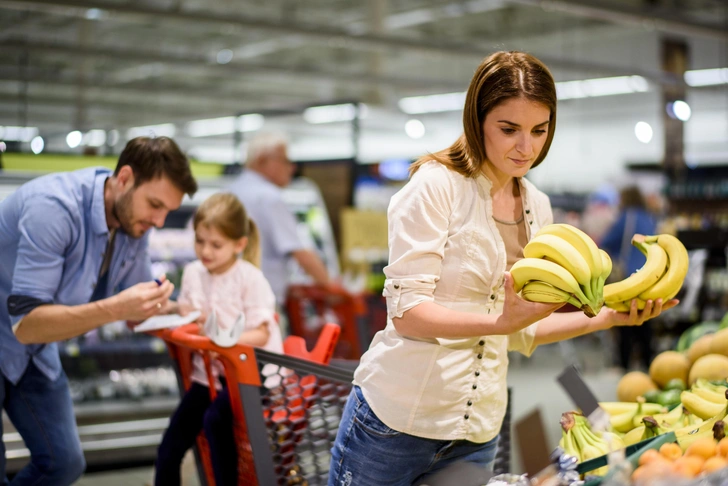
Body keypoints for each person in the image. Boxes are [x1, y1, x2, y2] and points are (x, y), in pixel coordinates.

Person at [328, 51, 678, 486]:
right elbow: (408, 314)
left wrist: (609, 317)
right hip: (396, 423)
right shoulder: (435, 187)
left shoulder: (538, 207)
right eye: (509, 129)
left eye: (539, 130)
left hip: (479, 431)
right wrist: (498, 321)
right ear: (477, 121)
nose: (526, 147)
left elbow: (520, 331)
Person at [0, 136, 197, 485]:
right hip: (19, 333)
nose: (160, 221)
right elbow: (27, 324)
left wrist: (191, 307)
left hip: (34, 353)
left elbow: (136, 307)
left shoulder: (133, 223)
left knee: (64, 463)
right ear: (124, 179)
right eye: (155, 204)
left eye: (167, 210)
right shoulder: (54, 208)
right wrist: (117, 308)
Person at [154, 192, 282, 486]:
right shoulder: (193, 273)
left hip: (250, 377)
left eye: (216, 245)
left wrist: (222, 345)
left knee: (215, 422)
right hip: (206, 376)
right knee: (171, 447)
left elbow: (262, 332)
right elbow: (191, 315)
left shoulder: (250, 278)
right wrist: (170, 308)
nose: (205, 251)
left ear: (239, 244)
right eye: (199, 241)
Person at [229, 132, 332, 308]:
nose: (291, 168)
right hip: (259, 301)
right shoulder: (270, 197)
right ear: (262, 160)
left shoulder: (231, 190)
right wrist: (331, 288)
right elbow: (301, 253)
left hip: (229, 295)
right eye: (285, 161)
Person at [600, 185, 658, 371]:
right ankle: (648, 364)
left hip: (629, 276)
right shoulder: (649, 217)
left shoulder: (627, 217)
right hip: (650, 275)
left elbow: (606, 242)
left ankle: (624, 365)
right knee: (646, 322)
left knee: (625, 322)